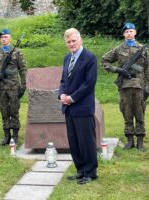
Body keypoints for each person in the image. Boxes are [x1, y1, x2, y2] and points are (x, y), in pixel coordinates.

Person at [101, 23, 149, 151]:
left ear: (135, 32)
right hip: (124, 86)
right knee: (127, 111)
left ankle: (140, 140)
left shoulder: (143, 49)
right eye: (126, 32)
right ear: (123, 34)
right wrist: (118, 70)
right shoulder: (119, 49)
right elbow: (104, 61)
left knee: (140, 112)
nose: (129, 33)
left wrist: (148, 85)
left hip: (139, 85)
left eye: (131, 31)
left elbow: (148, 69)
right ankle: (130, 140)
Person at [58, 28, 98, 185]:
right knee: (74, 141)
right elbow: (63, 81)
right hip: (69, 108)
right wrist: (61, 95)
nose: (71, 44)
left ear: (80, 39)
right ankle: (80, 170)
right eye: (68, 42)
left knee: (86, 141)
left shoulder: (90, 58)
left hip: (82, 107)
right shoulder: (67, 58)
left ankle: (90, 172)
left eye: (74, 40)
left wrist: (72, 98)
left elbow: (89, 83)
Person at [0, 29, 27, 145]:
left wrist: (23, 86)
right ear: (0, 39)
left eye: (6, 37)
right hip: (1, 87)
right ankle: (6, 136)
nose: (4, 39)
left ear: (10, 38)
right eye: (2, 37)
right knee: (4, 111)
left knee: (14, 111)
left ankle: (15, 135)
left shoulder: (17, 52)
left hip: (13, 87)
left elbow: (23, 70)